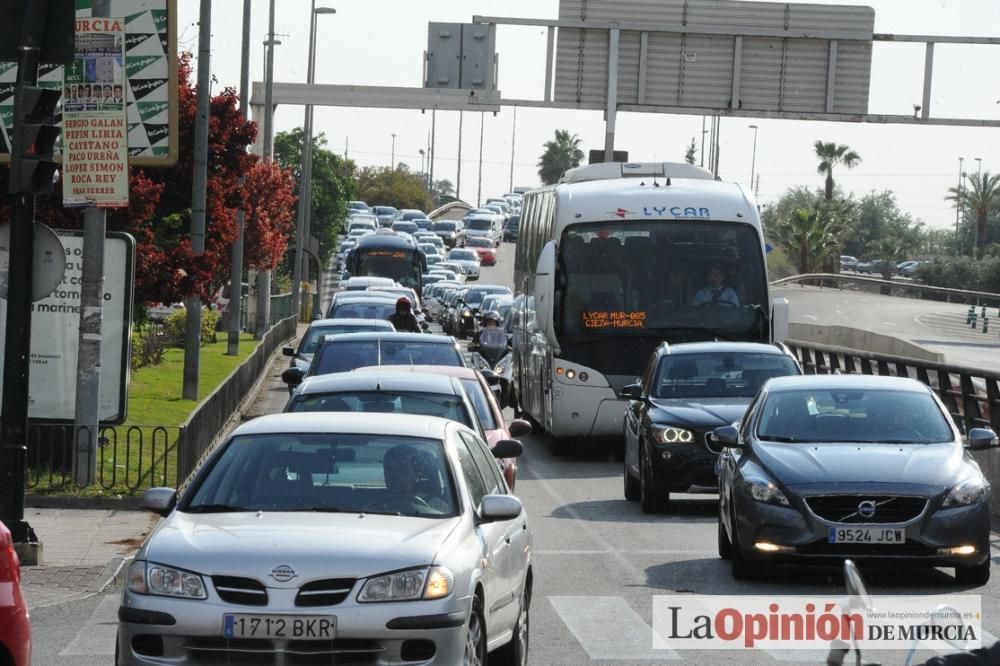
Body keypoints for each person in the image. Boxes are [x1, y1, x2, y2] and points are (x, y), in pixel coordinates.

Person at [382, 445, 449, 513]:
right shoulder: (372, 503)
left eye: (402, 469)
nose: (395, 474)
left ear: (416, 474)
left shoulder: (438, 506)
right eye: (389, 469)